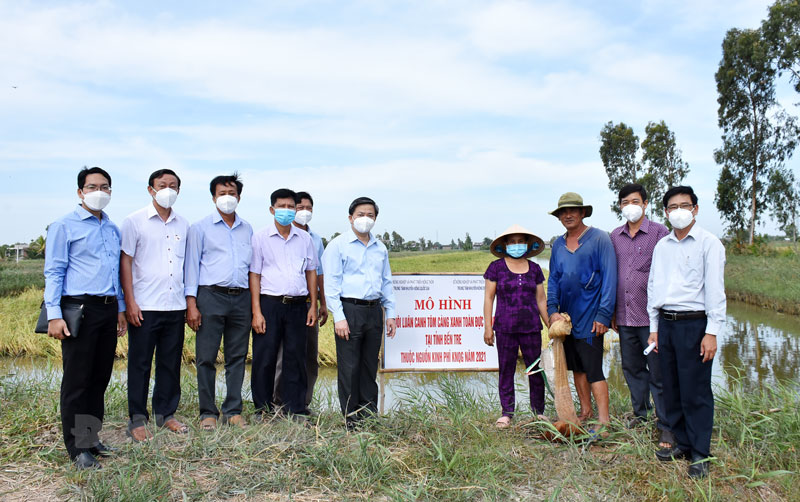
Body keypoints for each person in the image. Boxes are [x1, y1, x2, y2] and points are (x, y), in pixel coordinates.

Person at [43, 167, 127, 469]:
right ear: (80, 192)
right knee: (78, 380)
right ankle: (77, 449)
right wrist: (54, 315)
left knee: (99, 377)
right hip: (78, 309)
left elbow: (115, 274)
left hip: (106, 309)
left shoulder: (112, 228)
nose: (99, 192)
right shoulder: (64, 226)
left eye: (105, 186)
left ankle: (91, 438)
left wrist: (119, 309)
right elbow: (54, 271)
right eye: (92, 186)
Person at [647, 186, 726, 478]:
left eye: (685, 205)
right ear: (666, 212)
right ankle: (681, 441)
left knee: (696, 391)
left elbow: (716, 292)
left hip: (695, 324)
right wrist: (654, 329)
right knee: (672, 387)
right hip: (666, 323)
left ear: (695, 208)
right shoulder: (662, 247)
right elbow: (654, 288)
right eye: (672, 207)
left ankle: (700, 453)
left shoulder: (709, 244)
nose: (679, 211)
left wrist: (712, 332)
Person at [121, 169, 190, 441]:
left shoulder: (184, 225)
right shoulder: (134, 221)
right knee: (140, 363)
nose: (168, 190)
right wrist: (130, 302)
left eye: (173, 186)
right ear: (151, 189)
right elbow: (126, 261)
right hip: (144, 306)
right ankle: (137, 418)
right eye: (162, 185)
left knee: (170, 363)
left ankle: (166, 414)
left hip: (174, 305)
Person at [185, 174, 253, 430]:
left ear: (239, 197)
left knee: (237, 357)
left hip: (240, 298)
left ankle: (233, 410)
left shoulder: (247, 228)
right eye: (222, 193)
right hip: (210, 296)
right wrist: (192, 303)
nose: (227, 198)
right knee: (206, 357)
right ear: (213, 197)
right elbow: (191, 267)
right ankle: (207, 413)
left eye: (232, 193)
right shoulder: (200, 228)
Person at [322, 196, 396, 429]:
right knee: (349, 366)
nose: (365, 219)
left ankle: (369, 414)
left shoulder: (380, 248)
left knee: (368, 365)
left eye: (370, 215)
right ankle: (350, 417)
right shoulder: (338, 245)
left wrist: (390, 312)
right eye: (361, 215)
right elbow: (331, 285)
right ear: (350, 217)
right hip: (350, 310)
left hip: (374, 311)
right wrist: (340, 318)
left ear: (375, 219)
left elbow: (386, 282)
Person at [609, 184, 673, 448]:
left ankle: (666, 424)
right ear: (620, 207)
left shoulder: (660, 232)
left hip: (652, 320)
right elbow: (611, 275)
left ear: (645, 204)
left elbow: (669, 271)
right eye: (625, 202)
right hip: (624, 317)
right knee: (632, 368)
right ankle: (640, 414)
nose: (630, 206)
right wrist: (610, 311)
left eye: (635, 201)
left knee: (658, 372)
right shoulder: (614, 236)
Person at [547, 192, 617, 431]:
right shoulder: (558, 243)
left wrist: (604, 314)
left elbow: (610, 279)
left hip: (591, 316)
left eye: (573, 210)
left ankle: (604, 420)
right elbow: (554, 279)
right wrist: (552, 311)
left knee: (594, 368)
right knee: (577, 367)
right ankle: (586, 410)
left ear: (583, 212)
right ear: (558, 217)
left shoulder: (600, 239)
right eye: (562, 212)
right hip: (568, 318)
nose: (568, 215)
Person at [249, 188, 318, 419]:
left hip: (298, 305)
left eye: (291, 207)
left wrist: (312, 305)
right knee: (265, 357)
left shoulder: (305, 238)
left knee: (295, 357)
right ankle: (262, 408)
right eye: (282, 207)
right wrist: (256, 311)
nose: (287, 211)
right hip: (270, 304)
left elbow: (311, 272)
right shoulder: (260, 238)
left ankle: (294, 408)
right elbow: (255, 275)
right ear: (272, 209)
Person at [482, 224, 549, 428]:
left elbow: (541, 300)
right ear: (505, 245)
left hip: (531, 327)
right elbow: (488, 297)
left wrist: (552, 328)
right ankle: (507, 412)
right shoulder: (496, 267)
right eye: (512, 242)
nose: (517, 245)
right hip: (504, 327)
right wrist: (488, 327)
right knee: (506, 369)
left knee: (535, 370)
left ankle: (538, 412)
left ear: (527, 245)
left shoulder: (535, 269)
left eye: (521, 241)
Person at [274, 191, 328, 413]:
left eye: (309, 208)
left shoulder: (315, 239)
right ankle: (278, 401)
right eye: (300, 208)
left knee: (309, 354)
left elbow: (319, 273)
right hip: (286, 303)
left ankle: (302, 402)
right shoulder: (283, 235)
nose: (304, 212)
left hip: (309, 303)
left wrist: (321, 303)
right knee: (283, 355)